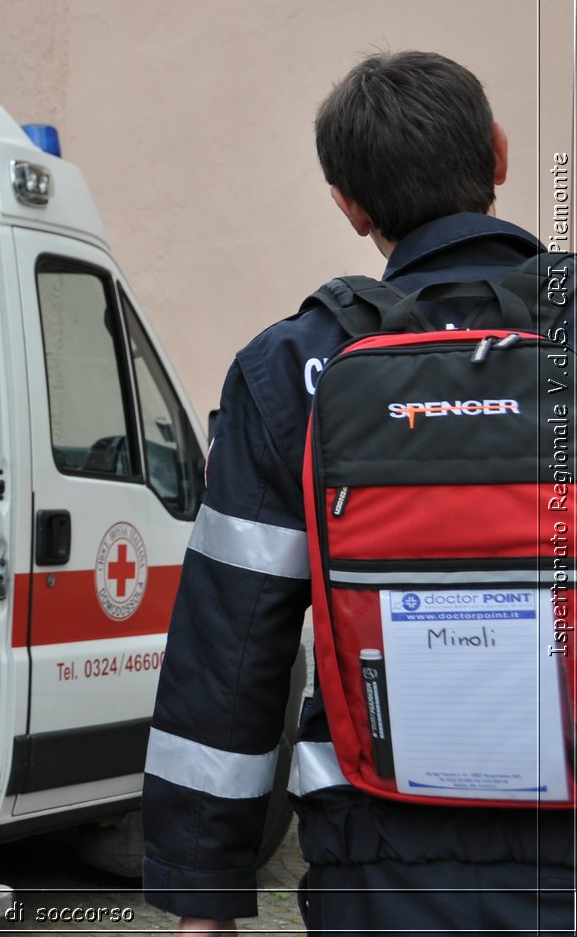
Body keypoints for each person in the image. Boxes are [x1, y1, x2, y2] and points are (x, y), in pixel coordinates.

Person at [141, 51, 576, 934]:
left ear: (348, 204)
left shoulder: (289, 367)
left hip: (381, 849)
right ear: (497, 154)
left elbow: (231, 650)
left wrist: (204, 896)